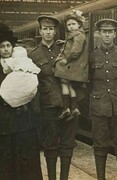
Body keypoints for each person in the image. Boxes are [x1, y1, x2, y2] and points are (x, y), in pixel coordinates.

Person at [28, 15, 81, 180]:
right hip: (48, 105)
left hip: (69, 105)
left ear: (55, 31)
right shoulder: (33, 55)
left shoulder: (65, 49)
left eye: (51, 29)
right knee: (50, 146)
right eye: (45, 29)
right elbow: (31, 83)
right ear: (40, 31)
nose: (48, 32)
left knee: (67, 145)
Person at [89, 18, 117, 180]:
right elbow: (88, 82)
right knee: (100, 146)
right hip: (99, 107)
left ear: (115, 34)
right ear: (99, 34)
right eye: (104, 32)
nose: (107, 35)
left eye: (110, 32)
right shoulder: (92, 55)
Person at [0, 23, 42, 180]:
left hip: (23, 119)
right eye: (2, 46)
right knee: (5, 157)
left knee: (24, 156)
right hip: (3, 120)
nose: (5, 49)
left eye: (8, 46)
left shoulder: (22, 64)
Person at [54, 10, 88, 121]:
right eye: (69, 25)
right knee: (70, 86)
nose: (71, 26)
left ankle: (66, 108)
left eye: (73, 24)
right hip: (73, 68)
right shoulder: (77, 35)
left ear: (79, 25)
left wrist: (66, 60)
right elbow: (72, 43)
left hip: (70, 66)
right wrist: (64, 42)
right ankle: (74, 108)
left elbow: (75, 51)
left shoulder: (78, 35)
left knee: (64, 84)